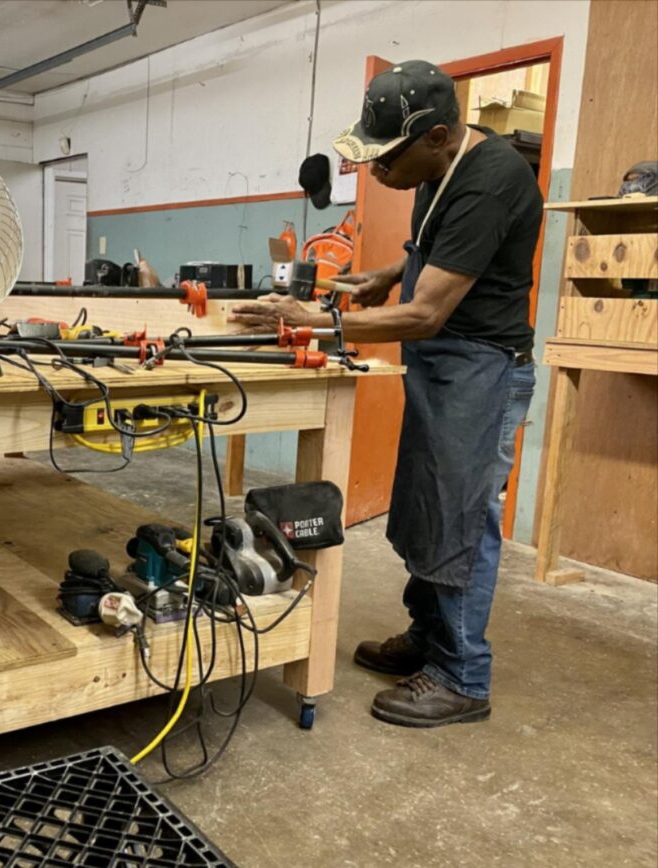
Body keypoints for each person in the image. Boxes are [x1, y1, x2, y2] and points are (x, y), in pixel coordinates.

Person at [228, 60, 542, 727]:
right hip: (449, 362)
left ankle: (462, 676)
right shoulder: (445, 163)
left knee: (461, 520)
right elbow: (441, 247)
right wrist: (390, 274)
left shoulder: (491, 181)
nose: (373, 172)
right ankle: (428, 643)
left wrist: (320, 321)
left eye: (384, 158)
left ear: (434, 136)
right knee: (431, 508)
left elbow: (425, 315)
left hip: (481, 366)